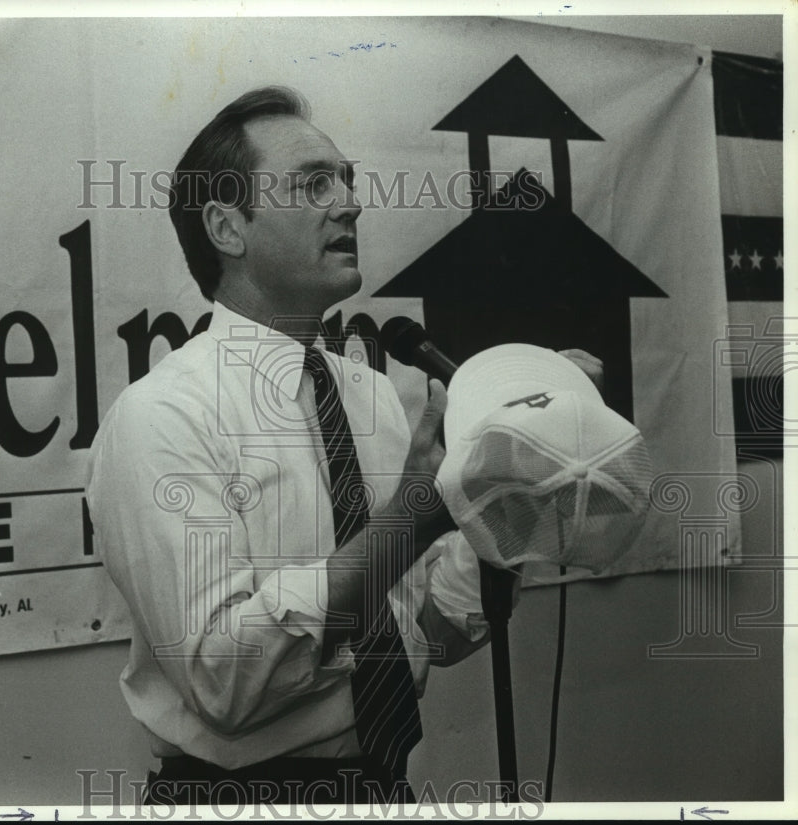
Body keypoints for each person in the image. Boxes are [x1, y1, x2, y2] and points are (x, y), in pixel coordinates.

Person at [86, 86, 596, 807]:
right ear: (228, 227)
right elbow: (223, 682)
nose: (351, 201)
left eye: (347, 178)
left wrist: (507, 485)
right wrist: (412, 516)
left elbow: (431, 633)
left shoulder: (372, 394)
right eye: (313, 182)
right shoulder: (161, 416)